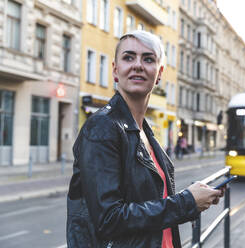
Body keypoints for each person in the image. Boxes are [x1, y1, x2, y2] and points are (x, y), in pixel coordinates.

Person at [66, 30, 223, 248]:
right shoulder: (103, 127)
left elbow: (154, 208)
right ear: (115, 70)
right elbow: (109, 219)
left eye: (148, 59)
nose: (138, 65)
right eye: (128, 57)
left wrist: (195, 197)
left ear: (159, 73)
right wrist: (187, 202)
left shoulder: (146, 133)